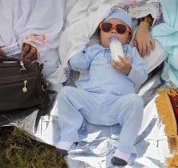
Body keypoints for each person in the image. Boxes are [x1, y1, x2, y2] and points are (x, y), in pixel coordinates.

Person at [55, 9, 147, 166]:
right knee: (66, 93)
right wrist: (80, 42)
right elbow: (77, 64)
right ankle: (68, 136)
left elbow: (142, 76)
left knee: (136, 101)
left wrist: (128, 69)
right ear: (100, 33)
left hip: (116, 105)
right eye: (107, 27)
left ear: (128, 36)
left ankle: (124, 150)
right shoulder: (94, 50)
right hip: (91, 101)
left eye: (120, 29)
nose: (113, 31)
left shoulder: (130, 53)